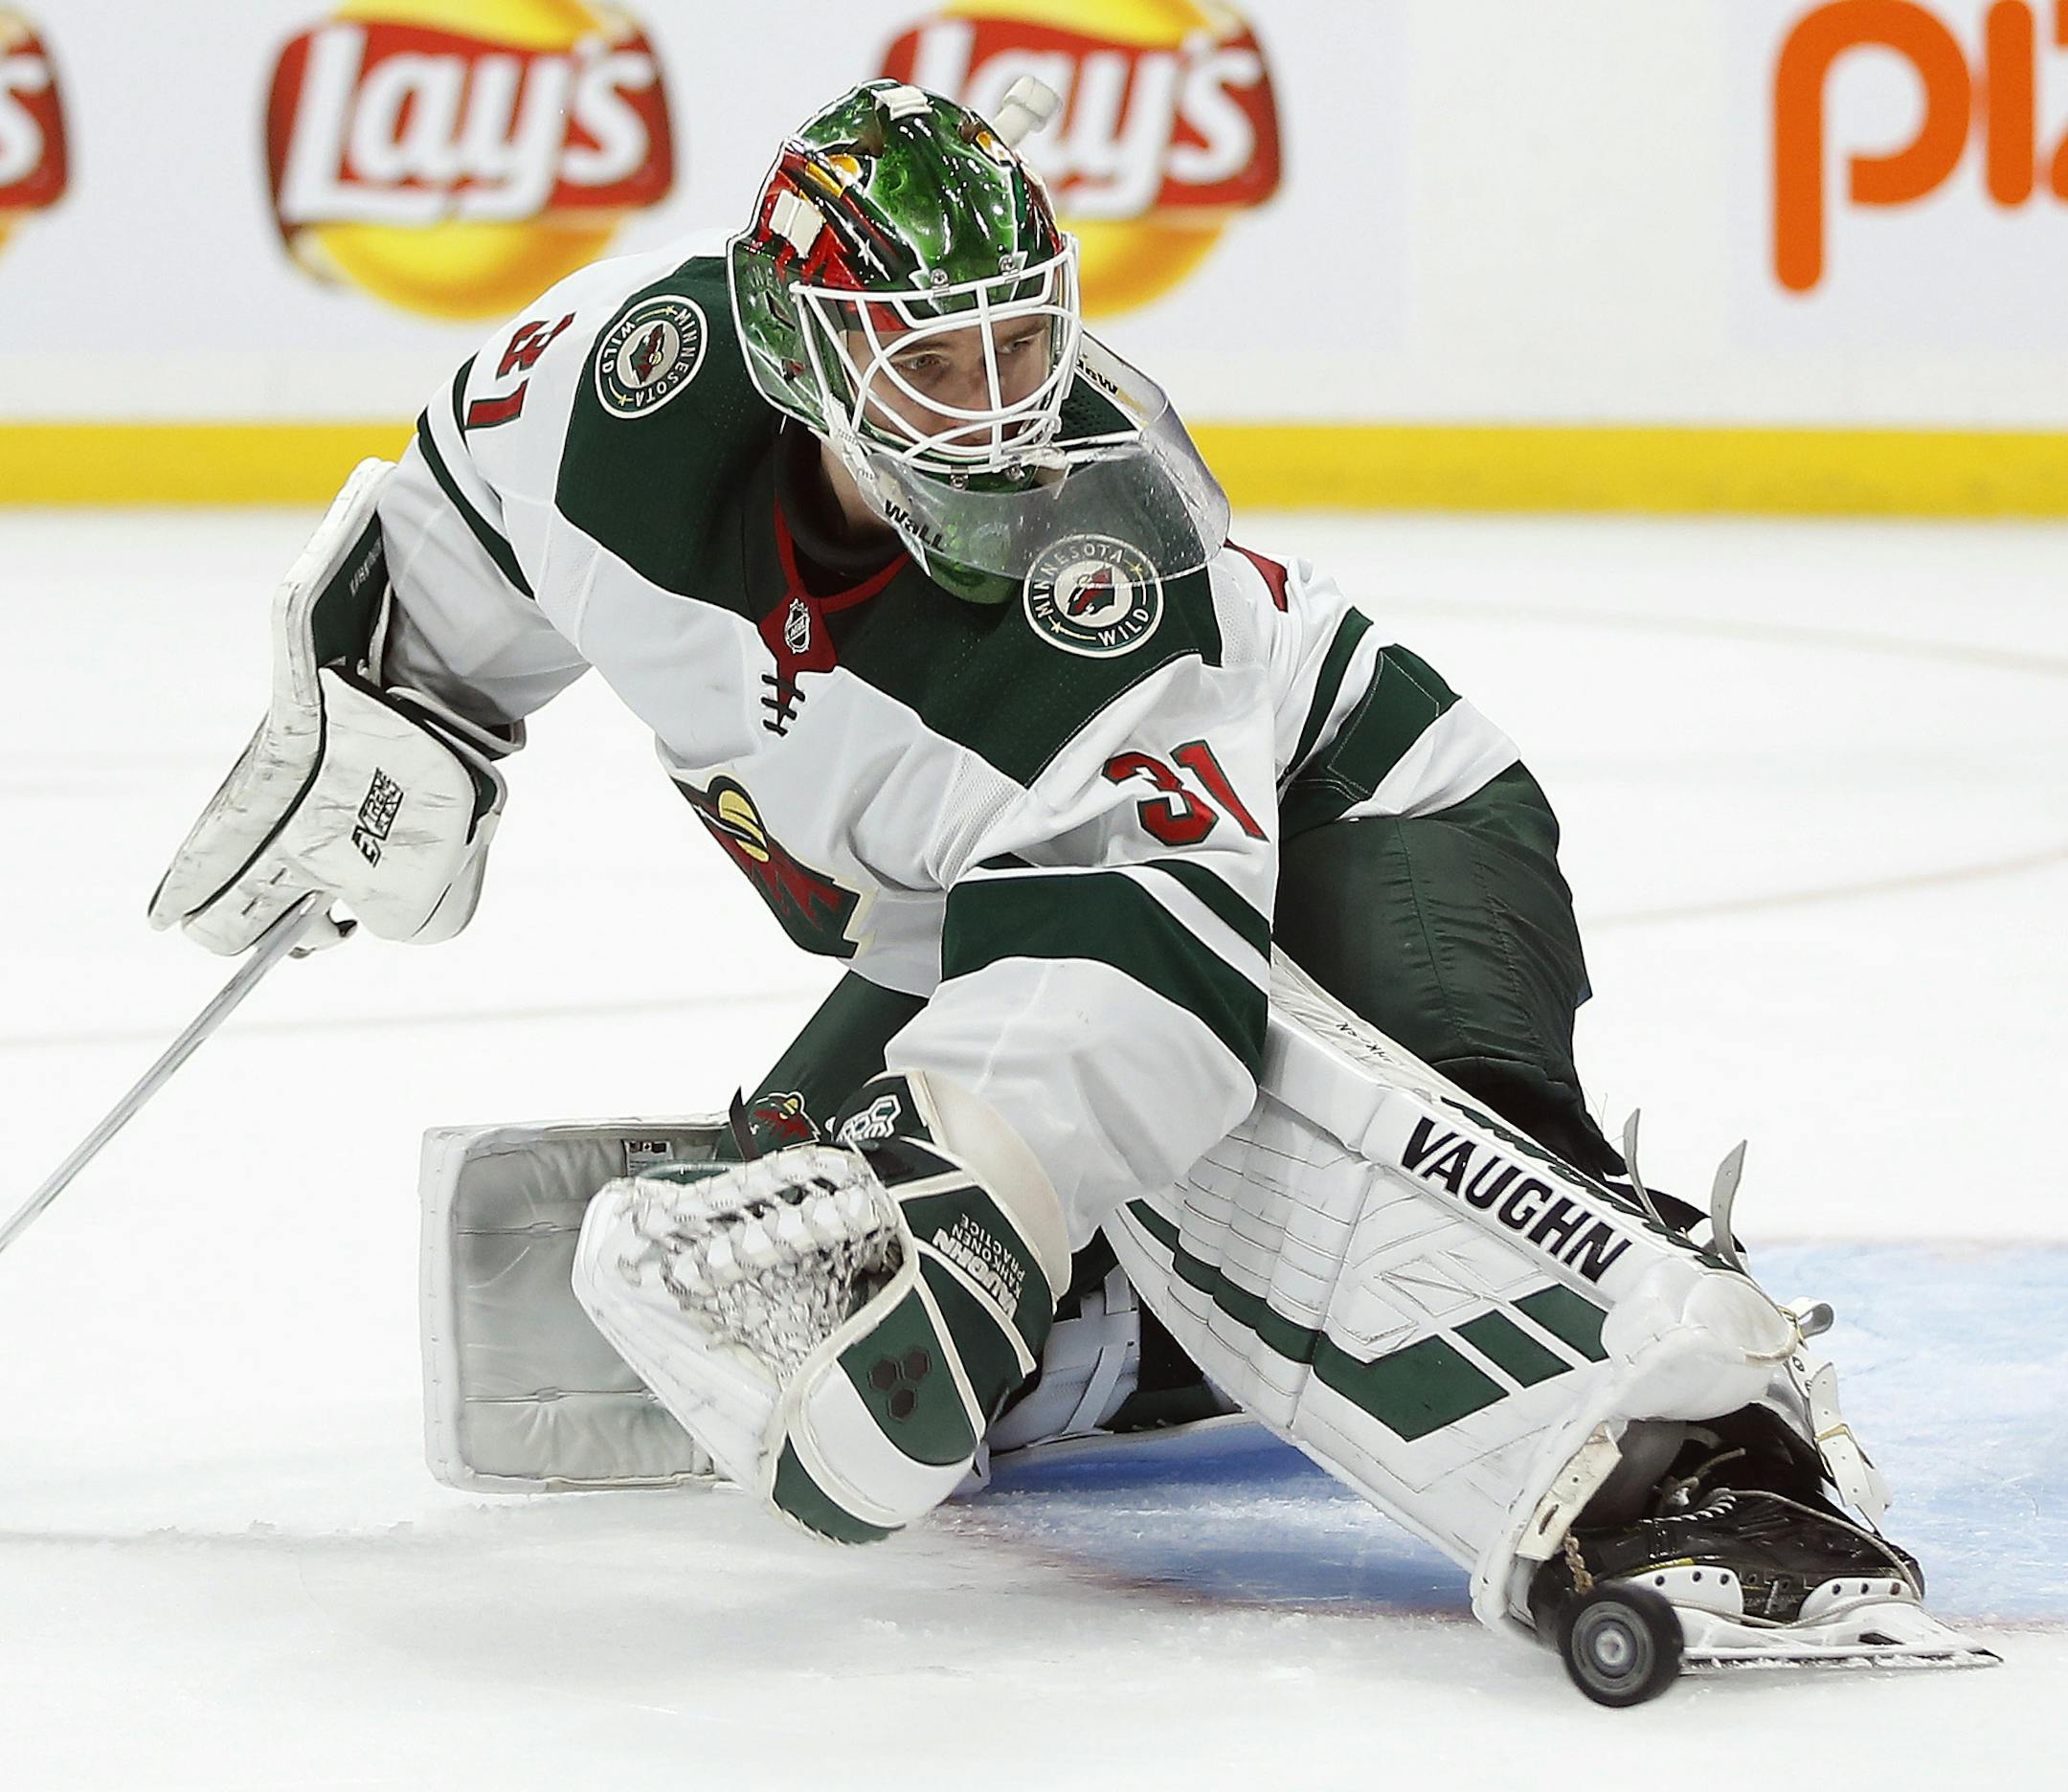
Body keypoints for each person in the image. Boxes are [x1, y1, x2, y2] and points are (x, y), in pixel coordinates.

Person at [150, 80, 1978, 1699]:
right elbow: (455, 519)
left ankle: (1724, 1464)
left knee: (1395, 1186)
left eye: (1024, 342)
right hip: (1013, 900)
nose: (1004, 406)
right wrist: (396, 722)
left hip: (1361, 820)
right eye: (935, 363)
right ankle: (1131, 1331)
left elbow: (1145, 973)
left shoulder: (1100, 553)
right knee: (835, 1217)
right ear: (797, 360)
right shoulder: (622, 390)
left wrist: (983, 1201)